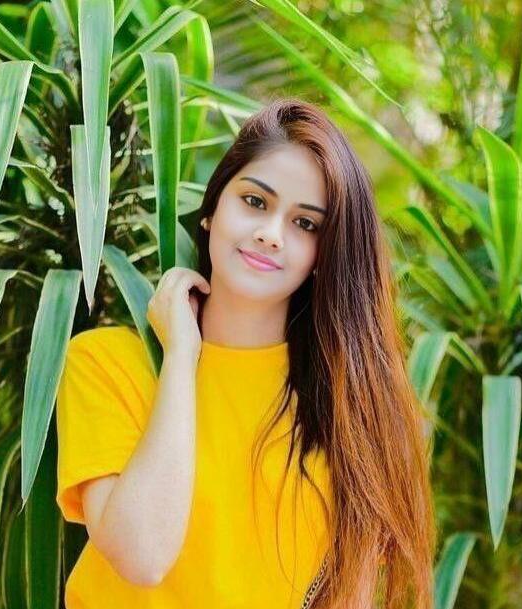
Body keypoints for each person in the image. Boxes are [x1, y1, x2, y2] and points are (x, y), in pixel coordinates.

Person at [55, 98, 436, 609]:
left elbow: (349, 591)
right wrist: (181, 356)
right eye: (255, 202)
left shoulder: (346, 401)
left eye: (305, 224)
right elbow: (142, 554)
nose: (270, 234)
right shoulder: (107, 362)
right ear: (213, 210)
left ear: (322, 256)